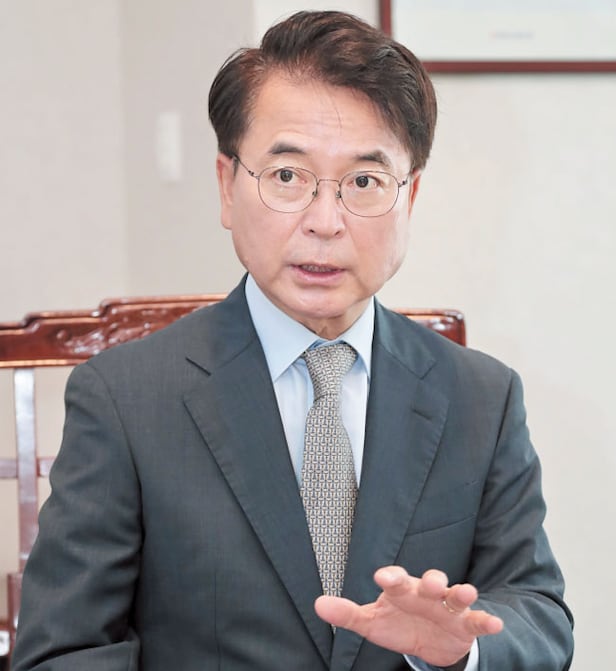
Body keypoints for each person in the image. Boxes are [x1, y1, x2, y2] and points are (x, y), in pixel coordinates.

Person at [11, 10, 573, 671]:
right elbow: (65, 650)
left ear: (411, 197)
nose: (325, 222)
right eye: (287, 176)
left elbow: (538, 613)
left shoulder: (482, 397)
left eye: (364, 181)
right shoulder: (125, 399)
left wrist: (463, 649)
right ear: (227, 187)